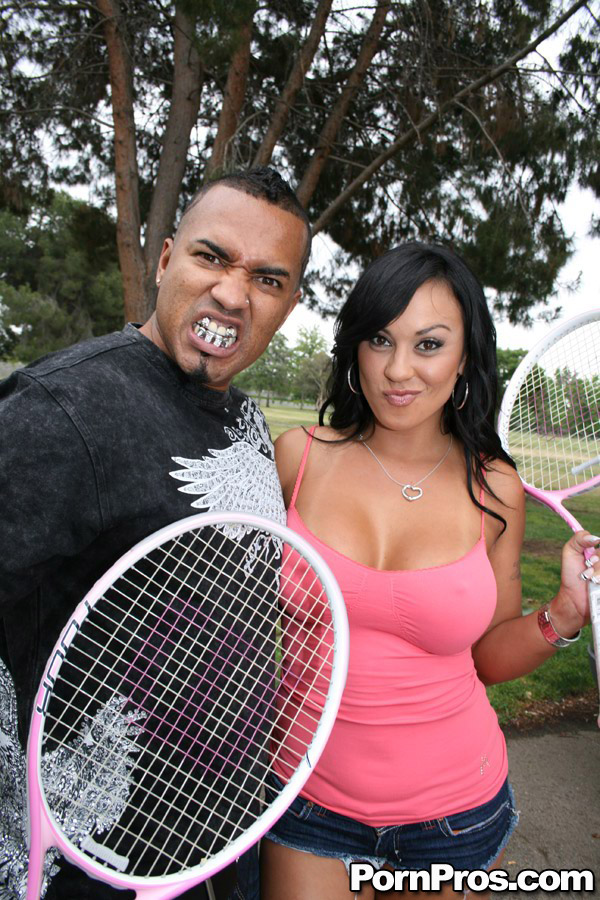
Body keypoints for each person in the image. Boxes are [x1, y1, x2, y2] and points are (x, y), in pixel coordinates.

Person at [0, 166, 311, 900]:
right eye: (212, 257)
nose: (232, 293)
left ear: (288, 304)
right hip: (84, 863)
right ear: (167, 258)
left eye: (267, 279)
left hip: (214, 841)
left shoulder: (244, 415)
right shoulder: (64, 408)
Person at [260, 242, 598, 899]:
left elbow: (488, 658)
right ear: (356, 346)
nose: (398, 369)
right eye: (381, 340)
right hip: (306, 800)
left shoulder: (494, 486)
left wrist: (563, 612)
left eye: (429, 344)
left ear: (465, 356)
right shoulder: (296, 458)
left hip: (455, 816)